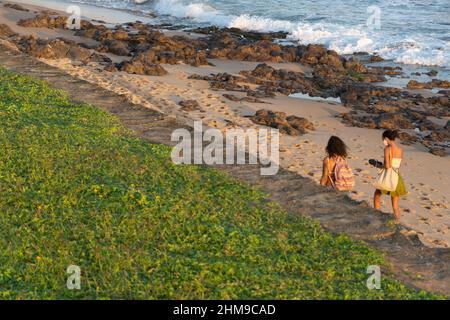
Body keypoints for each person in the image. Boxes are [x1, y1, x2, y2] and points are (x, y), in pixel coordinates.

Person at [373, 129, 407, 220]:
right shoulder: (400, 150)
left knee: (377, 195)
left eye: (383, 139)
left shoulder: (387, 149)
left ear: (387, 138)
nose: (383, 141)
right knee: (395, 205)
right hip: (397, 178)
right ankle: (397, 222)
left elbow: (387, 166)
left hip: (388, 177)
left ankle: (376, 217)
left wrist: (377, 165)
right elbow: (397, 165)